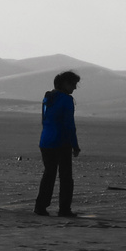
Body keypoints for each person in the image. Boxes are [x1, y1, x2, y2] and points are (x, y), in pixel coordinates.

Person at [35, 70, 81, 217]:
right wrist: (75, 144)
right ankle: (64, 209)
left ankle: (40, 206)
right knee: (66, 177)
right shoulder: (66, 100)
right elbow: (69, 124)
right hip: (61, 141)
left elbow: (44, 120)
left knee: (49, 175)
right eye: (73, 84)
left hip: (46, 141)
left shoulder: (48, 97)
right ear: (65, 84)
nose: (74, 88)